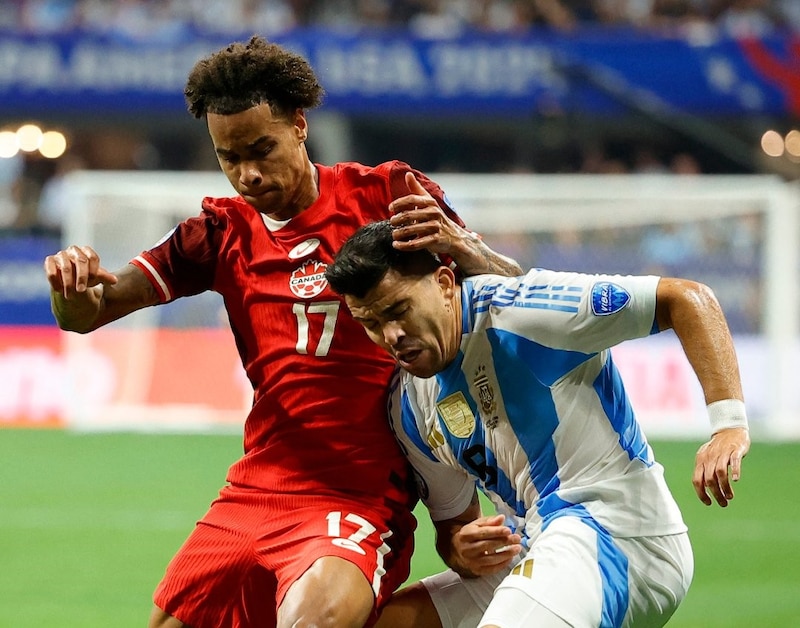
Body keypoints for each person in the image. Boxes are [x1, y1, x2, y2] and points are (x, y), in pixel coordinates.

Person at [43, 36, 521, 628]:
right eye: (228, 156)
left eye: (261, 149)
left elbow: (513, 299)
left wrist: (466, 250)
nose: (248, 173)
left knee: (315, 620)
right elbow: (88, 313)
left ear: (299, 125)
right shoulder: (218, 234)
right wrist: (71, 288)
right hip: (258, 485)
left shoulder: (388, 195)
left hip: (361, 490)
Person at [325, 219, 751, 628]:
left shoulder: (525, 309)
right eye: (372, 324)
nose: (391, 335)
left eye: (399, 310)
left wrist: (728, 424)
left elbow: (687, 298)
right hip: (531, 544)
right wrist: (458, 548)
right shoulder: (408, 408)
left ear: (443, 285)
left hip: (619, 534)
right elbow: (454, 528)